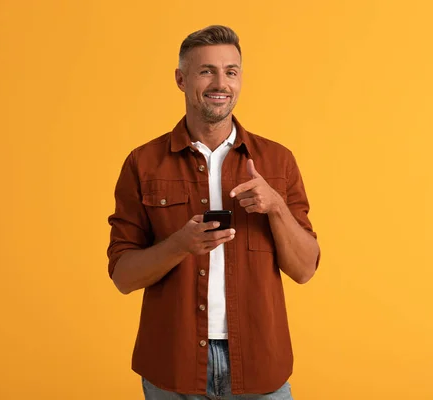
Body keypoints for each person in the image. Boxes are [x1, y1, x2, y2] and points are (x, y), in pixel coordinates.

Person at [107, 25, 320, 399]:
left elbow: (304, 270)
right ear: (181, 78)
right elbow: (123, 276)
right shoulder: (143, 164)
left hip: (259, 363)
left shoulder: (277, 161)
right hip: (172, 365)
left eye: (231, 72)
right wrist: (179, 245)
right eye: (207, 71)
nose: (220, 82)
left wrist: (276, 207)